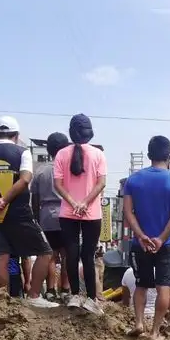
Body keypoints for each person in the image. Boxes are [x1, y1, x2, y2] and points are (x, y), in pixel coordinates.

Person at [0, 116, 57, 308]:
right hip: (19, 212)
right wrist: (4, 200)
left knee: (2, 257)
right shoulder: (22, 153)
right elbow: (25, 179)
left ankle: (2, 302)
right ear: (16, 135)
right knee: (45, 252)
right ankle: (34, 296)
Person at [122, 135, 170, 340]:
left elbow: (128, 212)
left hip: (139, 243)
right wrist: (160, 239)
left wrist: (141, 236)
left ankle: (139, 323)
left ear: (149, 155)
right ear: (169, 155)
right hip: (167, 244)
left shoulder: (133, 180)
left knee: (141, 284)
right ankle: (155, 332)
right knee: (163, 287)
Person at [53, 114, 107, 314]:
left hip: (68, 212)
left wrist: (73, 202)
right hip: (92, 213)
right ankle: (92, 299)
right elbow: (101, 183)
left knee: (72, 253)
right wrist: (85, 203)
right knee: (88, 255)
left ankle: (75, 295)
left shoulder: (61, 154)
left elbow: (58, 185)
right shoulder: (98, 154)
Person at [31, 132, 70, 301]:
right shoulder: (70, 170)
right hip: (67, 213)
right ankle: (66, 289)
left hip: (46, 215)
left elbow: (35, 199)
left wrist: (37, 219)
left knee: (51, 254)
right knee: (67, 253)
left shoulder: (41, 171)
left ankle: (51, 289)